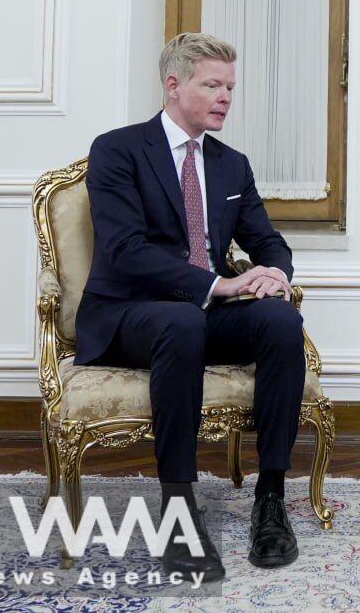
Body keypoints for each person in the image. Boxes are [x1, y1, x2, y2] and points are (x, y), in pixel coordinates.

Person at [75, 33, 309, 582]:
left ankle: (270, 501)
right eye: (213, 85)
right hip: (132, 313)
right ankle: (178, 515)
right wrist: (219, 285)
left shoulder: (231, 165)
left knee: (281, 320)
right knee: (181, 319)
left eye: (231, 86)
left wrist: (275, 274)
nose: (226, 96)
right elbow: (124, 251)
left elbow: (267, 239)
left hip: (200, 313)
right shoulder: (118, 149)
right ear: (174, 86)